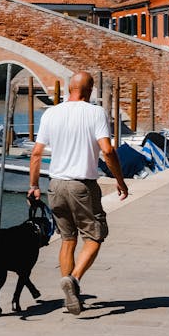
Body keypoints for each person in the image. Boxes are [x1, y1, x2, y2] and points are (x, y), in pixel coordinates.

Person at [28, 70, 128, 315]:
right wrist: (120, 180)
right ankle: (73, 280)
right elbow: (107, 150)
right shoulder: (96, 113)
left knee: (67, 239)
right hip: (82, 186)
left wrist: (33, 186)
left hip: (56, 185)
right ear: (90, 90)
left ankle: (69, 297)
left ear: (68, 89)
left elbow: (37, 153)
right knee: (95, 236)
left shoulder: (51, 113)